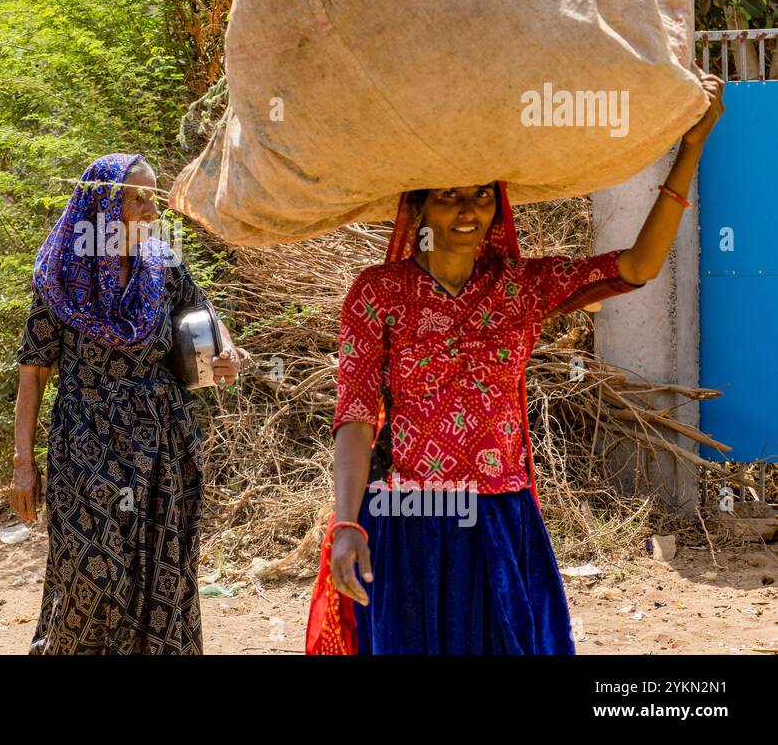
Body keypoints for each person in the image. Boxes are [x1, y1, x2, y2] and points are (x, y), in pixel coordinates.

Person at [306, 75, 726, 655]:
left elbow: (636, 266)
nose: (468, 210)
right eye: (449, 194)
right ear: (418, 204)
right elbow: (354, 414)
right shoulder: (378, 292)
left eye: (482, 195)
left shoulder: (520, 287)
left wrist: (693, 147)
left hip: (501, 515)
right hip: (409, 517)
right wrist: (347, 522)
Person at [10, 152, 240, 654]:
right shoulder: (60, 278)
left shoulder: (164, 265)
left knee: (163, 571)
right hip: (86, 443)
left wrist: (227, 351)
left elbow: (203, 311)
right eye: (134, 198)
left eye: (152, 198)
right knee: (89, 575)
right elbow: (34, 372)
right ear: (100, 205)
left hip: (164, 444)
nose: (149, 211)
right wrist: (23, 464)